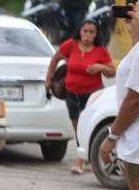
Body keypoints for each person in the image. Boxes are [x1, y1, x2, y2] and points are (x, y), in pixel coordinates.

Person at [98, 4, 139, 190]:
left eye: (135, 12)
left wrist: (111, 137)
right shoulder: (135, 49)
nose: (130, 14)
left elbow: (133, 100)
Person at [45, 19, 115, 174]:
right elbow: (55, 58)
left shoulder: (100, 50)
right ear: (80, 31)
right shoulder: (71, 45)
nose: (88, 35)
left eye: (92, 32)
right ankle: (87, 158)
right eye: (85, 31)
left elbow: (112, 71)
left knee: (87, 126)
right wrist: (49, 78)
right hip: (72, 94)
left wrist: (100, 67)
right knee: (78, 129)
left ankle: (80, 161)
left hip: (92, 96)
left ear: (96, 35)